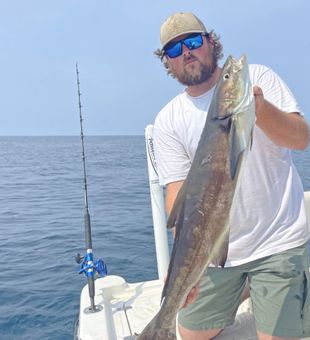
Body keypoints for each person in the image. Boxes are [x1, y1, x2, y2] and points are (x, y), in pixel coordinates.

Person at [153, 12, 310, 340]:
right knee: (189, 334)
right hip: (219, 253)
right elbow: (179, 195)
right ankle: (243, 287)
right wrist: (186, 263)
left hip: (276, 241)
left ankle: (267, 281)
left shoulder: (259, 79)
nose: (186, 52)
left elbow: (301, 138)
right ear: (167, 62)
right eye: (174, 50)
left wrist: (259, 108)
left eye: (193, 41)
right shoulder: (168, 120)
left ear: (210, 42)